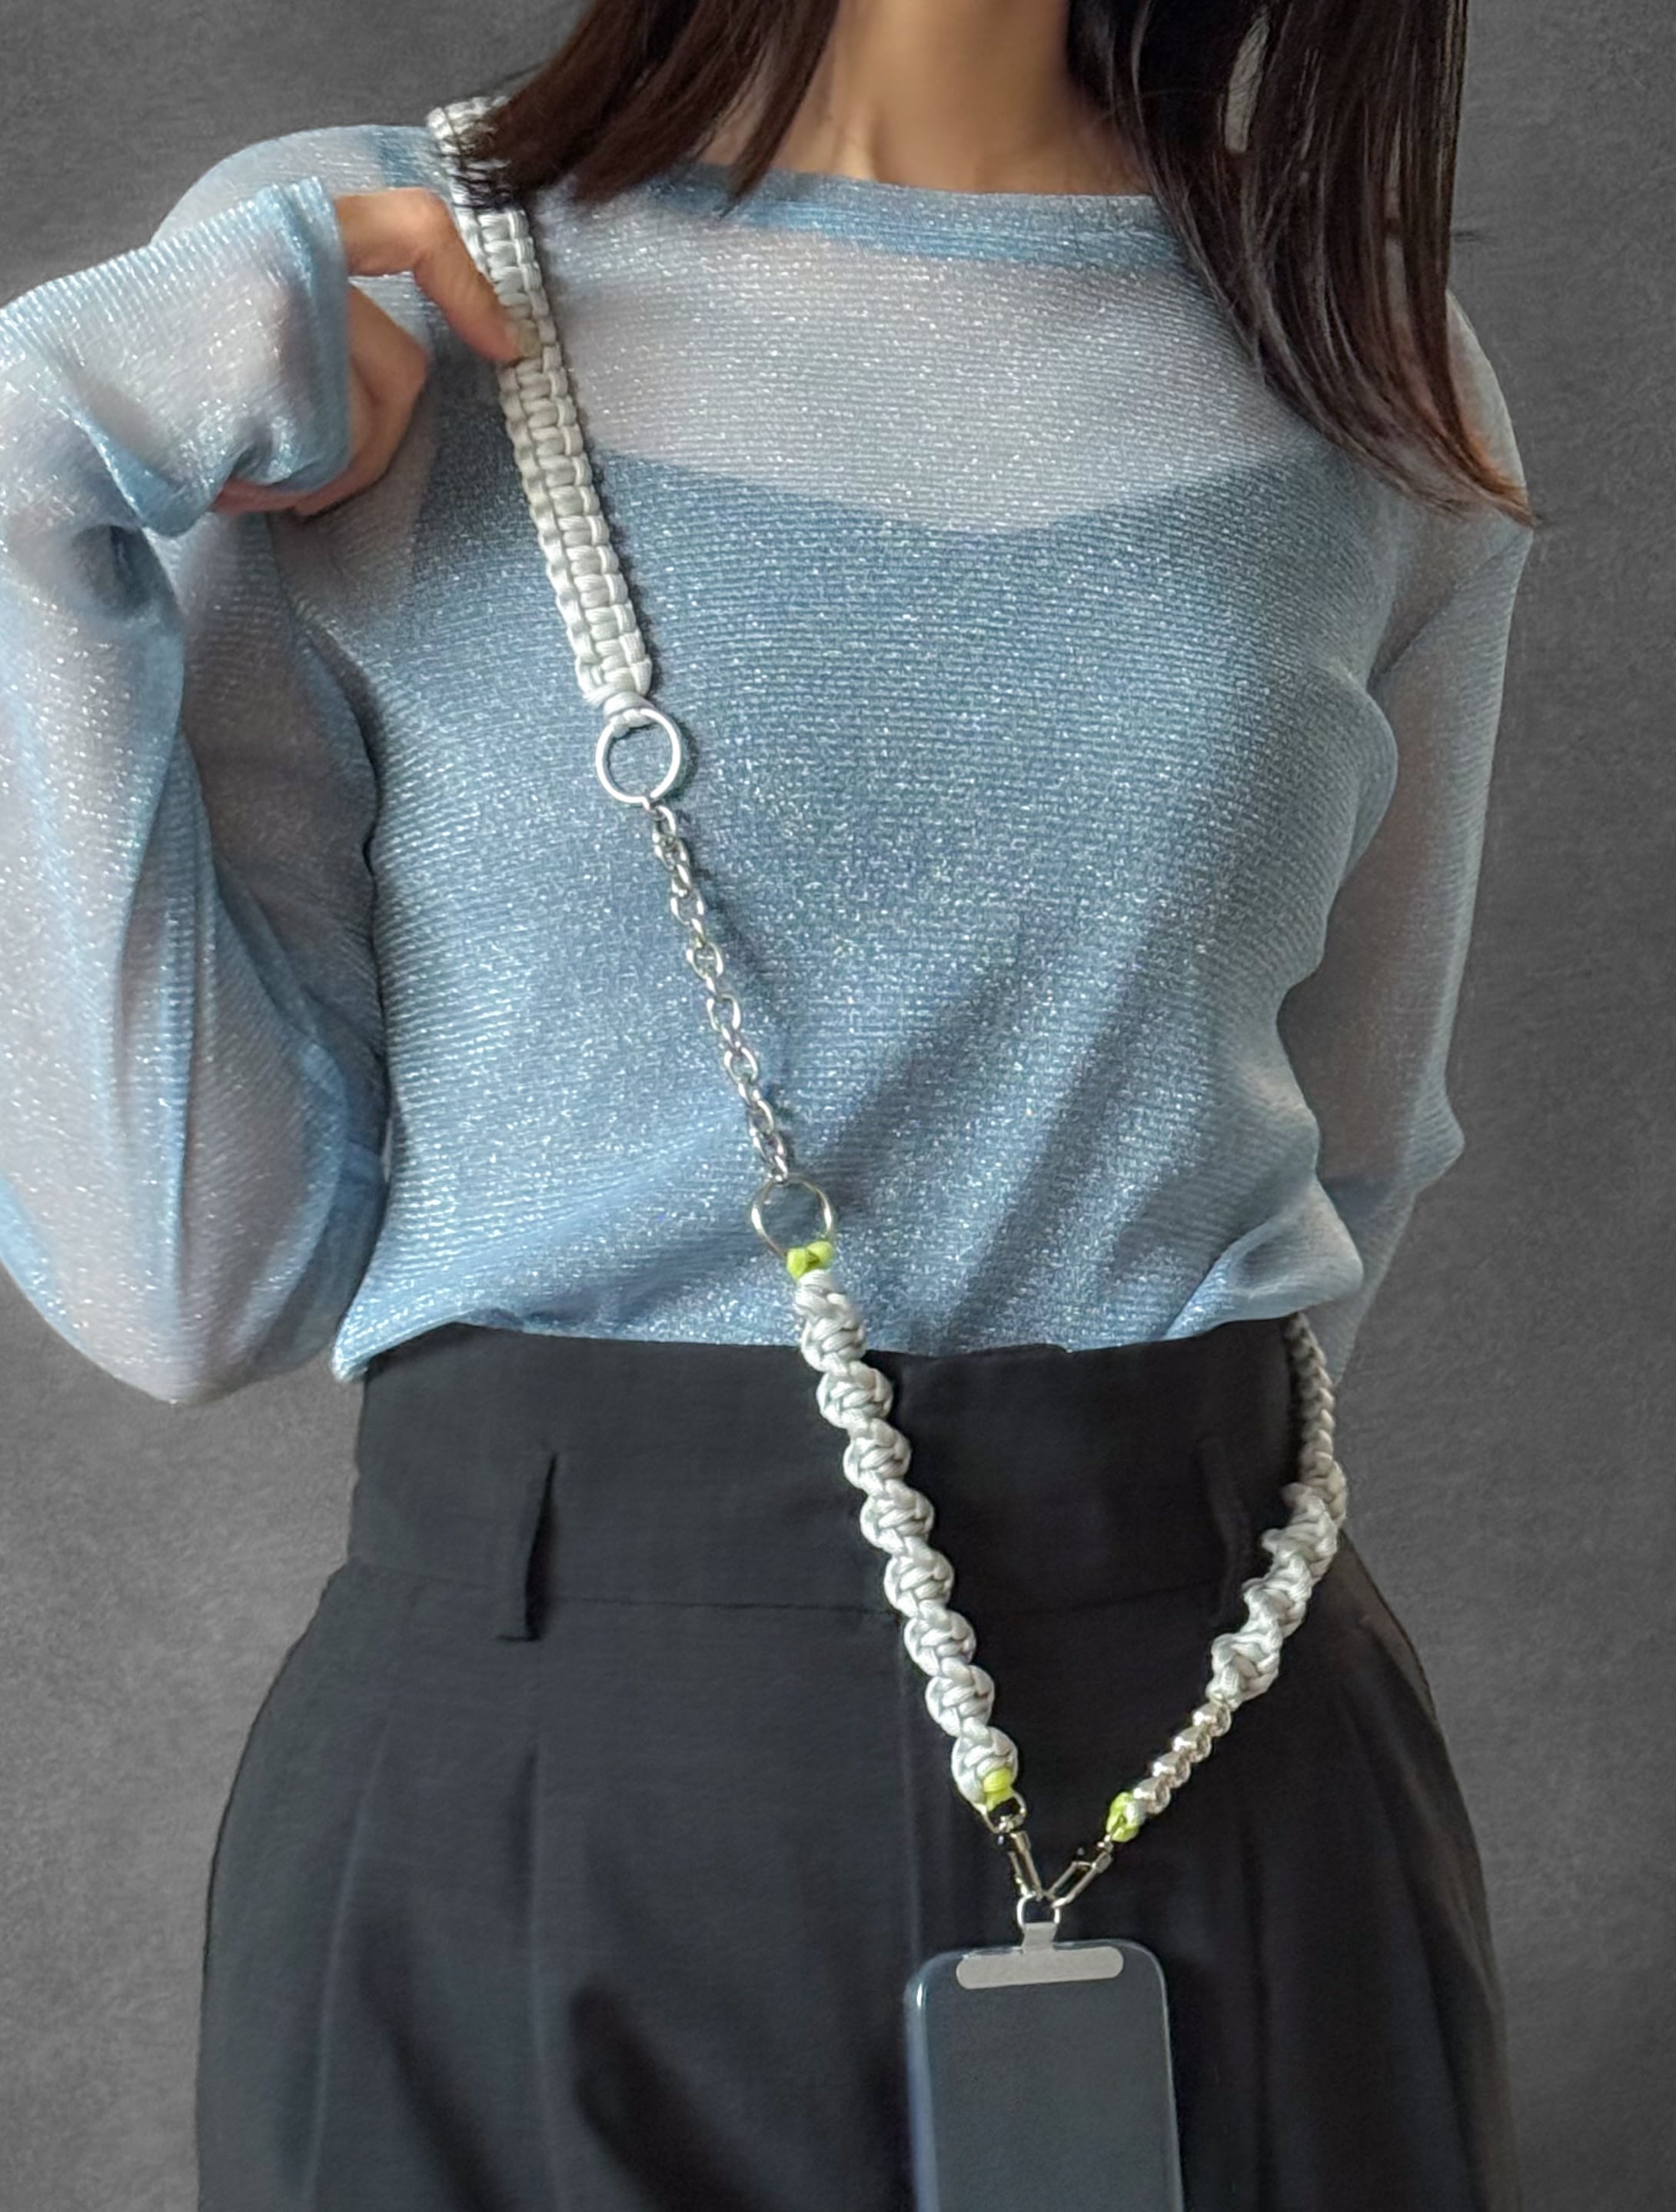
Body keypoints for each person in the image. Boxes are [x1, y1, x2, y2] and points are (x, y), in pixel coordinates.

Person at [0, 0, 1540, 2204]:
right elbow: (184, 1275)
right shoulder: (356, 279)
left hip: (1217, 1752)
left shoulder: (1361, 370)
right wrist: (32, 473)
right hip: (523, 1794)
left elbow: (1362, 1130)